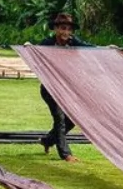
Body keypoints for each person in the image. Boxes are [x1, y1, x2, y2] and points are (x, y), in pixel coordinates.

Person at [27, 13, 93, 162]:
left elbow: (90, 48)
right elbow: (34, 51)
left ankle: (48, 140)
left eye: (69, 29)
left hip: (65, 89)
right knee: (60, 119)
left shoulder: (73, 42)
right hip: (50, 89)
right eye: (63, 28)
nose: (66, 32)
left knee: (72, 119)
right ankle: (66, 154)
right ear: (56, 29)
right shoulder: (47, 43)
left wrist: (107, 49)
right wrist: (28, 47)